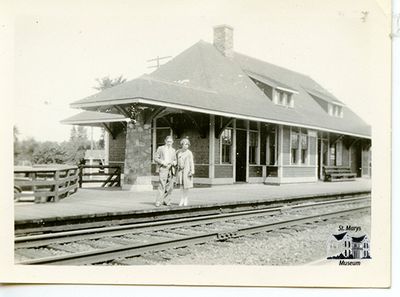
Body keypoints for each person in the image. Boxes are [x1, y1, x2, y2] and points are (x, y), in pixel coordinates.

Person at [154, 135, 177, 207]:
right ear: (165, 141)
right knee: (162, 184)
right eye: (168, 141)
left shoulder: (173, 150)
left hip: (171, 169)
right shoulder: (160, 148)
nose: (169, 143)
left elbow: (175, 160)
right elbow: (155, 158)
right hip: (163, 168)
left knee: (170, 186)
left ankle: (166, 201)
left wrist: (174, 162)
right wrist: (162, 162)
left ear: (172, 142)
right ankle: (158, 201)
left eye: (170, 142)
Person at [176, 138, 195, 206]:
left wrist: (192, 171)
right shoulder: (178, 152)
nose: (186, 146)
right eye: (185, 144)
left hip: (187, 171)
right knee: (181, 186)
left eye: (187, 144)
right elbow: (175, 160)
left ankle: (186, 199)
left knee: (186, 186)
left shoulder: (189, 153)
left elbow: (191, 162)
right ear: (182, 145)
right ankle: (182, 199)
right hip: (180, 171)